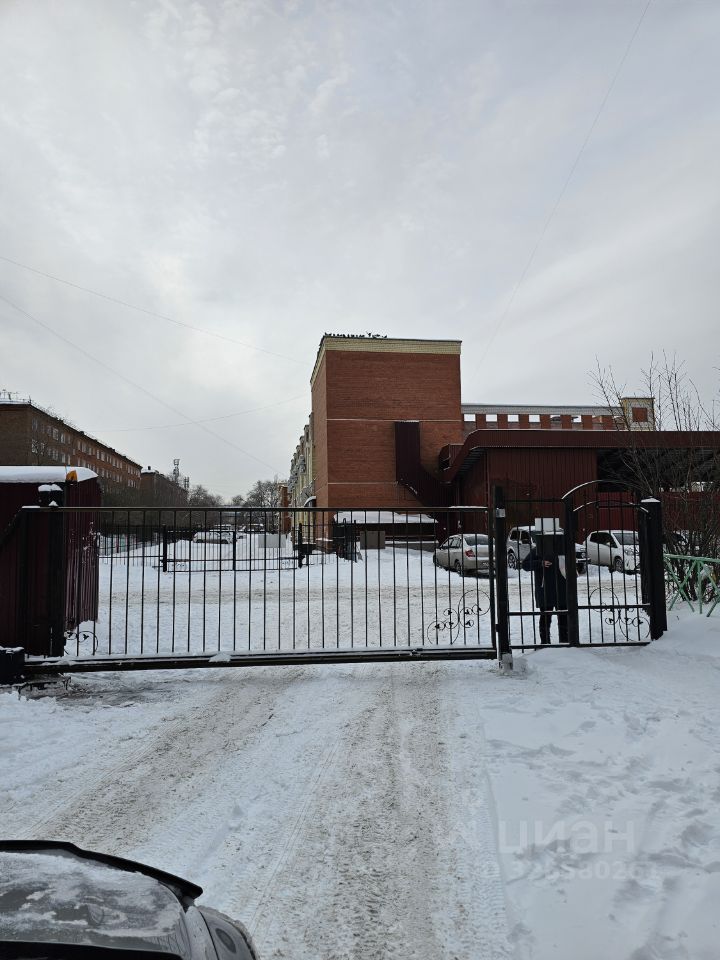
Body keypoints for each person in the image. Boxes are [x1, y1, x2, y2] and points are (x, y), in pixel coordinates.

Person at [522, 534, 568, 644]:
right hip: (545, 590)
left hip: (562, 589)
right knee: (546, 617)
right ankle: (545, 641)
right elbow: (525, 565)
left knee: (564, 616)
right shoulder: (538, 550)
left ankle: (565, 640)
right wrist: (540, 563)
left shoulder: (563, 550)